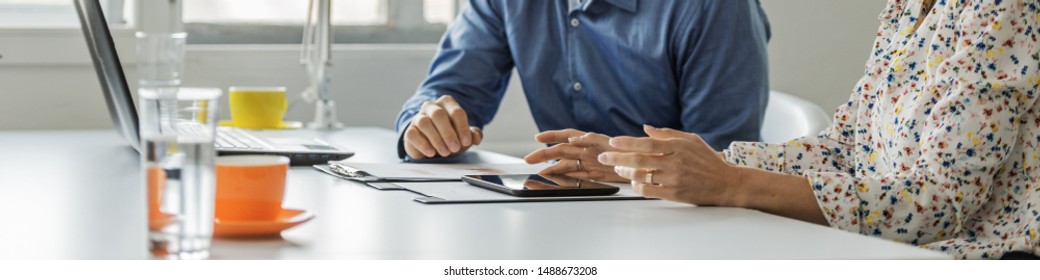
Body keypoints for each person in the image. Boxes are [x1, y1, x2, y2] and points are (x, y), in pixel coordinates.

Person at [584, 0, 1040, 259]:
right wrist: (638, 160)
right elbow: (847, 148)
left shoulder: (1002, 8)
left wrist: (732, 183)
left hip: (988, 255)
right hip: (902, 250)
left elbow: (937, 205)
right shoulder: (907, 7)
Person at [395, 0, 772, 182]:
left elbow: (725, 159)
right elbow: (450, 90)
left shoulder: (716, 7)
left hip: (678, 231)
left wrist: (621, 165)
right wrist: (427, 126)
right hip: (564, 214)